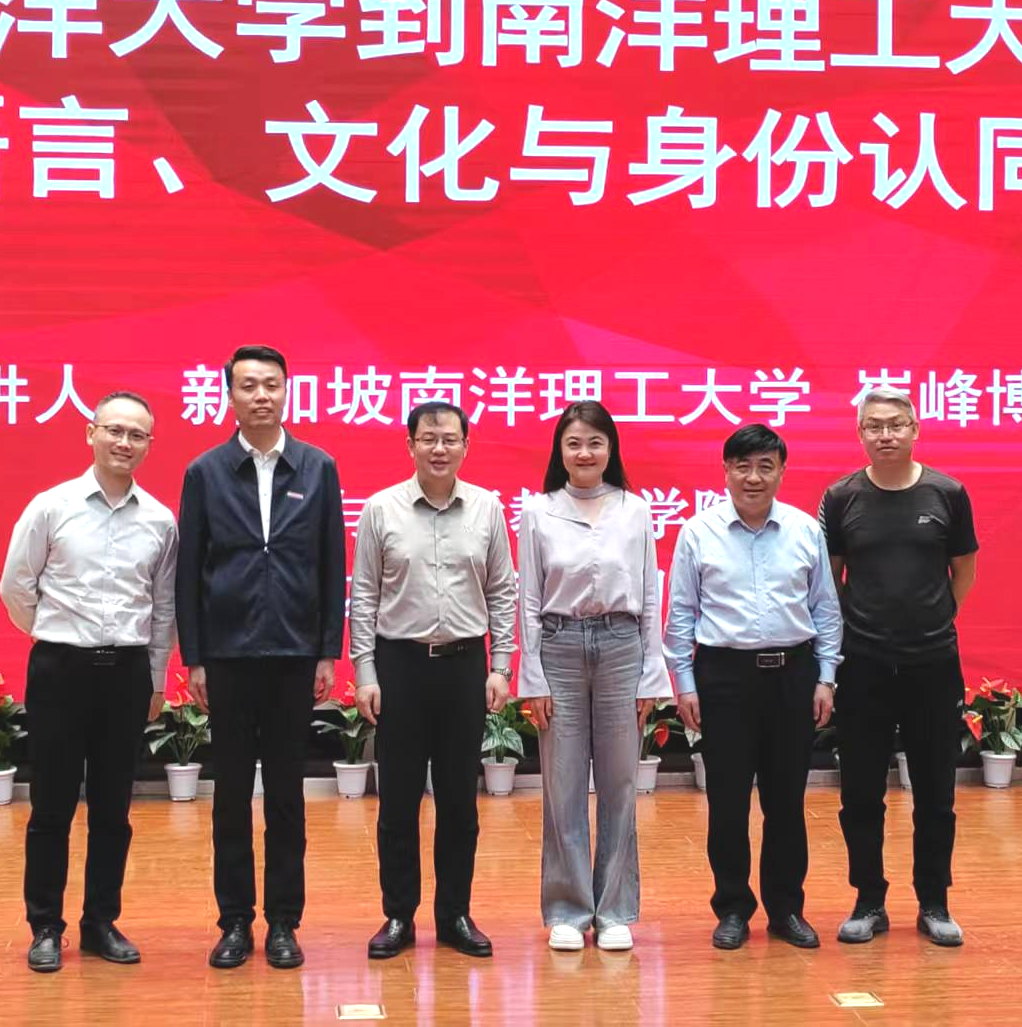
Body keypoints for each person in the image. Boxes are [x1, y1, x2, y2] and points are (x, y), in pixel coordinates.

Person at [175, 345, 346, 971]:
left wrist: (327, 650)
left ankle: (283, 922)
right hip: (227, 655)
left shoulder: (318, 467)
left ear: (286, 390)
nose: (261, 395)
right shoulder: (206, 472)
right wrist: (195, 657)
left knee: (286, 796)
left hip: (294, 655)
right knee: (229, 797)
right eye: (248, 385)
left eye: (271, 384)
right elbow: (189, 571)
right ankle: (234, 922)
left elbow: (332, 563)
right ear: (230, 395)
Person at [0, 390, 177, 974]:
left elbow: (163, 608)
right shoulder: (51, 506)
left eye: (137, 435)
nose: (124, 442)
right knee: (51, 806)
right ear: (91, 433)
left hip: (126, 674)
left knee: (113, 809)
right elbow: (16, 585)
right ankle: (45, 926)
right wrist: (54, 633)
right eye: (114, 430)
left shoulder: (160, 520)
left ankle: (101, 921)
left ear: (149, 445)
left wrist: (155, 678)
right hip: (60, 670)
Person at [349, 401, 517, 960]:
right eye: (428, 439)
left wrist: (500, 666)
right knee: (398, 802)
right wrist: (366, 671)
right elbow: (364, 594)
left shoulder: (487, 508)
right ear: (410, 445)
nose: (439, 448)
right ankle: (398, 915)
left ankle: (455, 915)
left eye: (449, 439)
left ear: (466, 446)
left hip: (464, 667)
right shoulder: (381, 509)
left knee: (459, 802)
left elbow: (502, 592)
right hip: (400, 666)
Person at [665, 423, 841, 951]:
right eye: (742, 466)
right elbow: (681, 614)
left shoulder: (805, 530)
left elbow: (825, 611)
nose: (754, 477)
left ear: (782, 472)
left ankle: (786, 909)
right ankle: (733, 908)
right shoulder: (698, 532)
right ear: (726, 472)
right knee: (727, 801)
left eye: (766, 466)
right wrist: (685, 683)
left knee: (786, 802)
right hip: (724, 677)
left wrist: (826, 677)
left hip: (793, 675)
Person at [820, 386, 978, 949]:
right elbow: (830, 578)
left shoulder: (947, 493)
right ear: (860, 434)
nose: (885, 435)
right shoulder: (841, 497)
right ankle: (869, 900)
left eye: (895, 424)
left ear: (915, 429)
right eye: (873, 426)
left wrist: (934, 620)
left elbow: (963, 569)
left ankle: (935, 903)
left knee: (936, 792)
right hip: (862, 665)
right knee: (861, 793)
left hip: (932, 664)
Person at [518, 401, 670, 952]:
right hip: (559, 646)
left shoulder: (636, 508)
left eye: (595, 442)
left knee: (620, 783)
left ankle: (614, 911)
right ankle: (568, 910)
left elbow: (650, 594)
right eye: (574, 443)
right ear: (559, 451)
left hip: (621, 647)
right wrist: (532, 677)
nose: (585, 453)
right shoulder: (539, 511)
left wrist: (652, 676)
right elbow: (529, 597)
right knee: (562, 785)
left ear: (611, 449)